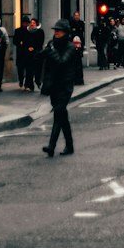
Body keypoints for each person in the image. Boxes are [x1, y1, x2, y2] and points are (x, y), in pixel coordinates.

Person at [41, 19, 76, 157]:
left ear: (65, 33)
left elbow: (62, 62)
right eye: (55, 30)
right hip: (53, 85)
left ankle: (51, 146)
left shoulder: (71, 47)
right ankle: (70, 145)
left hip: (65, 85)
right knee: (62, 115)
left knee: (58, 112)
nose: (56, 33)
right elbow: (44, 60)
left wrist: (51, 51)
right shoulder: (51, 45)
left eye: (59, 31)